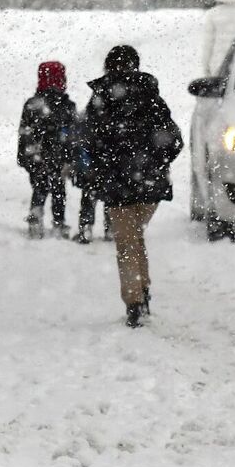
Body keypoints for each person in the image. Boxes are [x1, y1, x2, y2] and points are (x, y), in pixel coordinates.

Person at [75, 45, 184, 328]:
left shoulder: (101, 99)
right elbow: (173, 140)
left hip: (117, 184)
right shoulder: (152, 98)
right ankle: (142, 291)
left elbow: (87, 140)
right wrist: (155, 163)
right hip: (149, 183)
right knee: (135, 237)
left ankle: (134, 301)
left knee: (127, 242)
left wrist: (100, 168)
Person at [19, 61, 77, 240]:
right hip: (59, 155)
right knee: (59, 189)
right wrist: (71, 157)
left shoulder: (32, 104)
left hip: (37, 154)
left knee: (40, 187)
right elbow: (72, 135)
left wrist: (25, 155)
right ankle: (58, 223)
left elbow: (24, 132)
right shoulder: (67, 105)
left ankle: (36, 217)